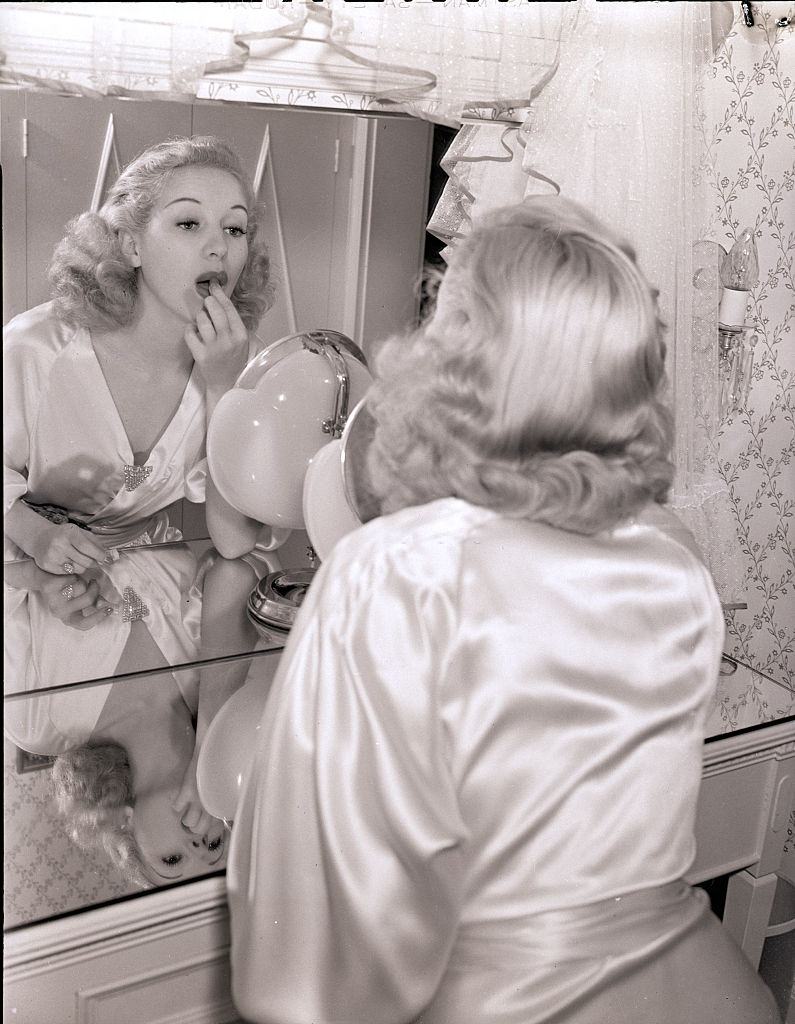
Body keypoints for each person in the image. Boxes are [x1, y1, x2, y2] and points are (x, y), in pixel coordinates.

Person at [225, 197, 780, 1023]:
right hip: (708, 991)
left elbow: (311, 936)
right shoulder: (672, 564)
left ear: (460, 367)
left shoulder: (396, 569)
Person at [3, 134, 270, 593]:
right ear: (131, 246)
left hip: (145, 584)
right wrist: (38, 535)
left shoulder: (232, 362)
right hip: (21, 576)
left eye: (235, 228)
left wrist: (222, 388)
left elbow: (234, 543)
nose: (218, 248)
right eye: (189, 223)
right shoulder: (36, 347)